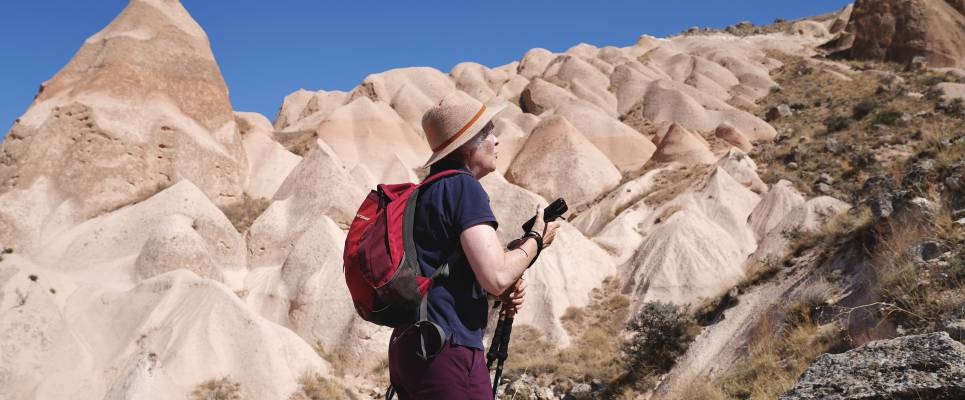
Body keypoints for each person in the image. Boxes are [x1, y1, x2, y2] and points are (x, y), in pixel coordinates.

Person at [388, 92, 561, 399]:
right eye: (488, 133)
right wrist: (536, 240)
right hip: (447, 350)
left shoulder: (423, 193)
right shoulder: (463, 187)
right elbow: (495, 277)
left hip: (409, 347)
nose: (497, 140)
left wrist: (508, 272)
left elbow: (444, 272)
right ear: (468, 146)